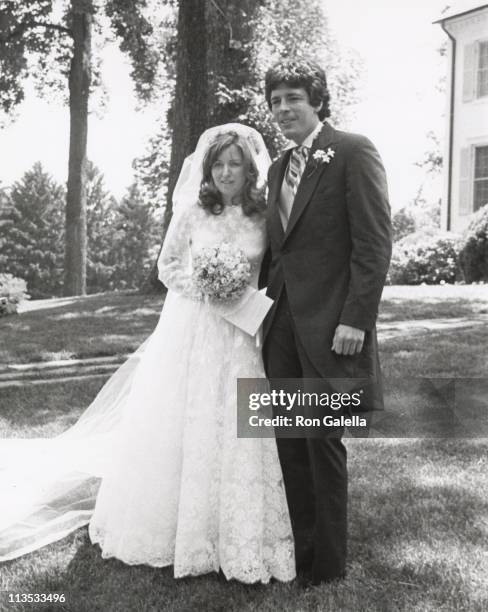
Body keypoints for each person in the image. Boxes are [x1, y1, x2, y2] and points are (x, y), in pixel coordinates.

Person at [0, 124, 295, 585]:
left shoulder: (263, 217)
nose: (225, 172)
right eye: (217, 163)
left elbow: (276, 270)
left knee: (237, 425)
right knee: (184, 420)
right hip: (196, 331)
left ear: (250, 167)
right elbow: (167, 266)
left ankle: (235, 531)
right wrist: (207, 287)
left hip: (242, 338)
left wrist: (243, 293)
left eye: (234, 163)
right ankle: (177, 528)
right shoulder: (194, 212)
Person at [261, 59, 392, 585]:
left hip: (333, 327)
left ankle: (330, 567)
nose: (284, 109)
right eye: (275, 101)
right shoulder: (275, 169)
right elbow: (278, 252)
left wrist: (356, 318)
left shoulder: (353, 151)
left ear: (317, 101)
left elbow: (374, 241)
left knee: (322, 441)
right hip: (281, 327)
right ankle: (302, 554)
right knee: (290, 443)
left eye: (294, 98)